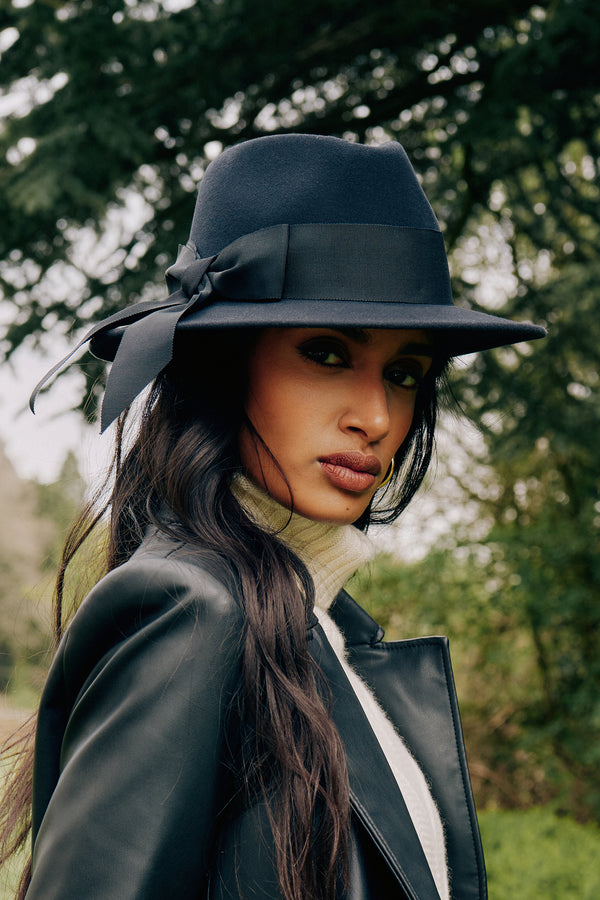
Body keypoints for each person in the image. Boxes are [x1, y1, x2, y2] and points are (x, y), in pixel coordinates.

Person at [2, 134, 545, 899]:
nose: (376, 417)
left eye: (404, 372)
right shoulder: (192, 610)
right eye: (327, 353)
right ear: (226, 366)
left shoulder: (324, 625)